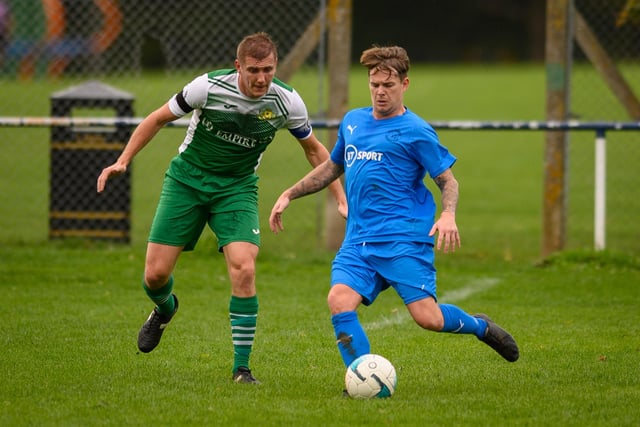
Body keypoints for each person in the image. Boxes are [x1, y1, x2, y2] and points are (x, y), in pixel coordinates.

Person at [97, 32, 347, 384]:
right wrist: (123, 161)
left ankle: (241, 370)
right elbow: (156, 119)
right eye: (254, 70)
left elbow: (315, 150)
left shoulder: (287, 101)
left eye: (269, 70)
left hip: (237, 188)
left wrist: (339, 196)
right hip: (187, 181)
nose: (262, 79)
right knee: (155, 276)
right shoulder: (208, 88)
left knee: (244, 268)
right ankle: (165, 309)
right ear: (238, 67)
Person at [269, 45, 519, 390]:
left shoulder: (416, 131)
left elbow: (447, 180)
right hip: (359, 239)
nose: (380, 92)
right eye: (374, 85)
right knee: (338, 300)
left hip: (403, 239)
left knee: (427, 319)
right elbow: (332, 167)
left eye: (388, 85)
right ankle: (360, 379)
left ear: (405, 84)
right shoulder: (353, 122)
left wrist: (448, 214)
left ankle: (480, 326)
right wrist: (289, 193)